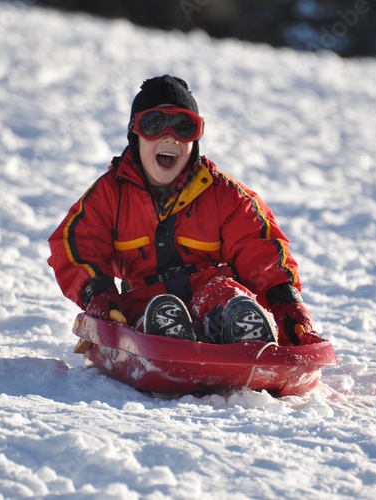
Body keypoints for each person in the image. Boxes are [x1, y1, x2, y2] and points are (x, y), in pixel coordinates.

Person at [48, 75, 313, 346]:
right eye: (154, 124)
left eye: (183, 127)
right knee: (153, 311)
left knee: (227, 296)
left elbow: (259, 247)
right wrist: (99, 296)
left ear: (196, 139)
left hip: (210, 289)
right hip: (143, 300)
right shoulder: (110, 194)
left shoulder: (223, 194)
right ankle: (164, 334)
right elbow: (77, 243)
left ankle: (242, 328)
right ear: (135, 134)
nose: (170, 137)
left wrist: (286, 304)